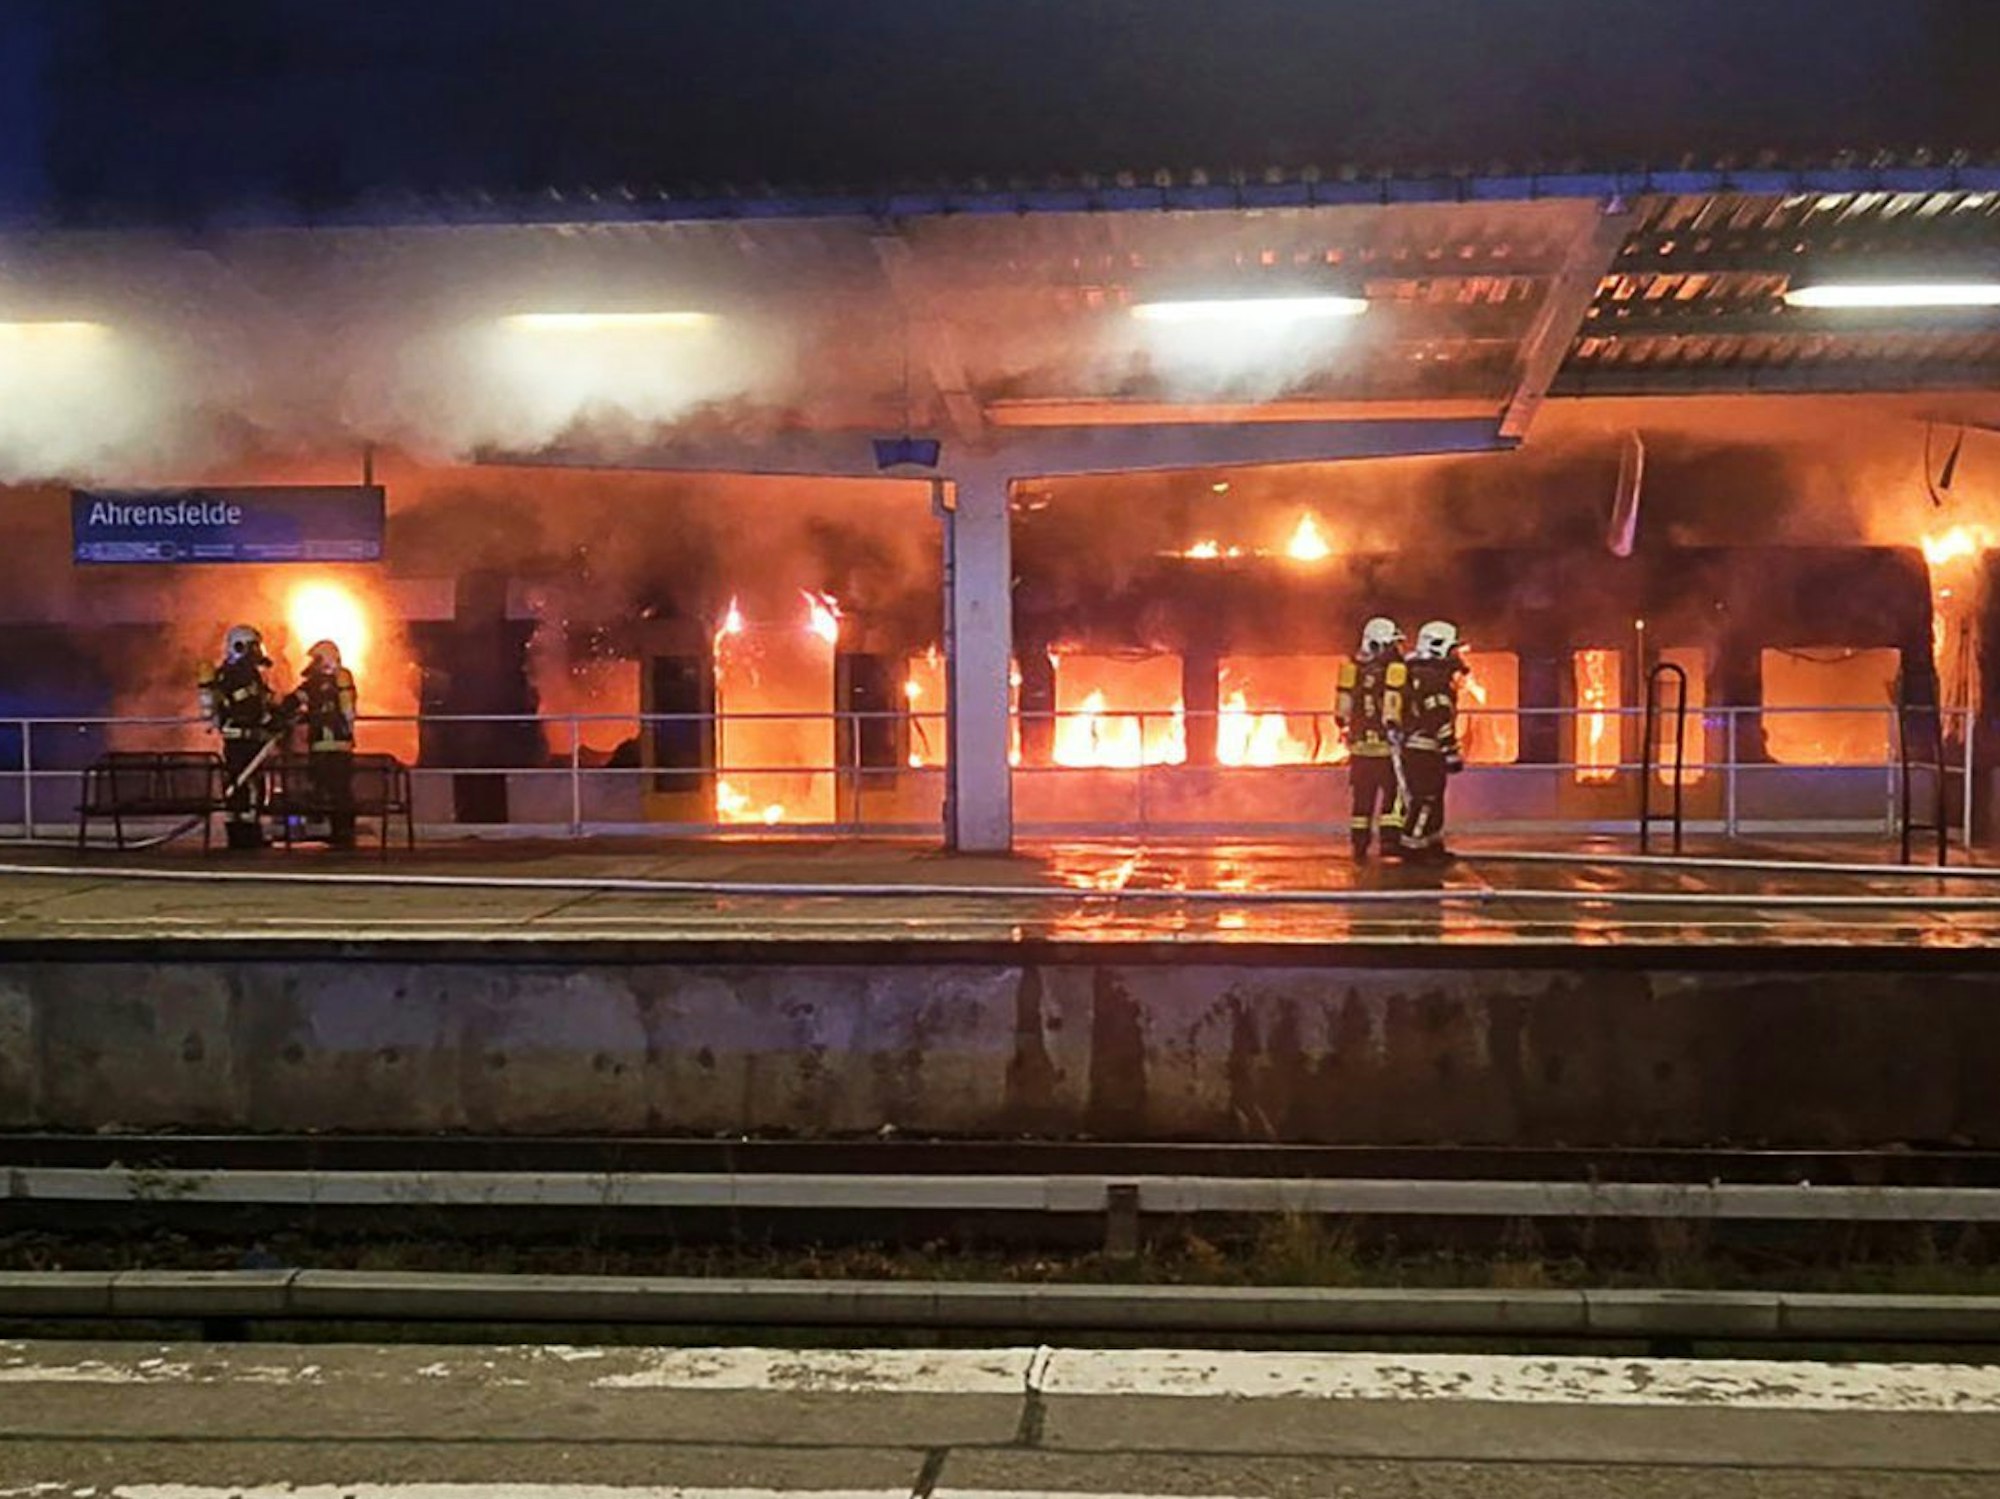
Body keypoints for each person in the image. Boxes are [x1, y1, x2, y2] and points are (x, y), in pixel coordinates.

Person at [197, 624, 281, 849]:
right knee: (250, 787)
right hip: (246, 739)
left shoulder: (227, 672)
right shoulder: (242, 673)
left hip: (236, 739)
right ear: (241, 646)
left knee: (237, 787)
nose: (257, 652)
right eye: (253, 646)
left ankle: (238, 835)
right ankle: (248, 836)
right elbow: (249, 707)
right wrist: (273, 719)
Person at [1391, 619, 1467, 862]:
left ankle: (1432, 844)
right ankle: (1413, 847)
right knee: (1426, 799)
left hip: (1420, 749)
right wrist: (1451, 751)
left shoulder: (1419, 672)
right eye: (1452, 648)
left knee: (1433, 798)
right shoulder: (1433, 677)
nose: (1455, 654)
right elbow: (1438, 717)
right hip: (1424, 750)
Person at [1334, 616, 1407, 859]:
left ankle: (1359, 844)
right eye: (1391, 644)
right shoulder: (1394, 673)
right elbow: (1395, 709)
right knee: (1393, 797)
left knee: (1362, 801)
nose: (1396, 649)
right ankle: (1389, 842)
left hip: (1359, 749)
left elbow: (1342, 713)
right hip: (1387, 749)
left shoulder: (1352, 672)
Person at [298, 639, 359, 847]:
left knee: (328, 790)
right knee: (341, 792)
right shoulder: (342, 680)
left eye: (316, 660)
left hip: (322, 748)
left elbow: (293, 701)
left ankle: (337, 833)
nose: (313, 664)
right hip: (342, 748)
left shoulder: (315, 684)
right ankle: (343, 833)